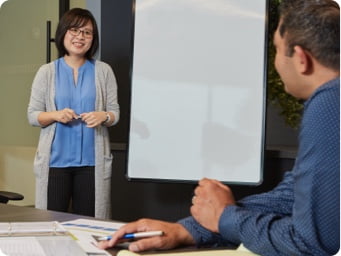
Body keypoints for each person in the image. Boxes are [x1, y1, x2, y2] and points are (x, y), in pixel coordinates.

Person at [99, 0, 339, 255]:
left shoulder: (330, 101)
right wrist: (192, 229)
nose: (276, 63)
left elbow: (309, 242)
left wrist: (226, 217)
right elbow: (293, 195)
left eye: (277, 50)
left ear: (301, 59)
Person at [27, 8, 120, 219]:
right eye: (75, 30)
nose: (80, 37)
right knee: (51, 223)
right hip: (54, 164)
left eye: (87, 32)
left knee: (89, 226)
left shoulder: (103, 71)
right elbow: (33, 115)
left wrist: (103, 116)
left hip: (92, 164)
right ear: (63, 34)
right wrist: (55, 115)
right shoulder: (47, 72)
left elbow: (115, 113)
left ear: (92, 38)